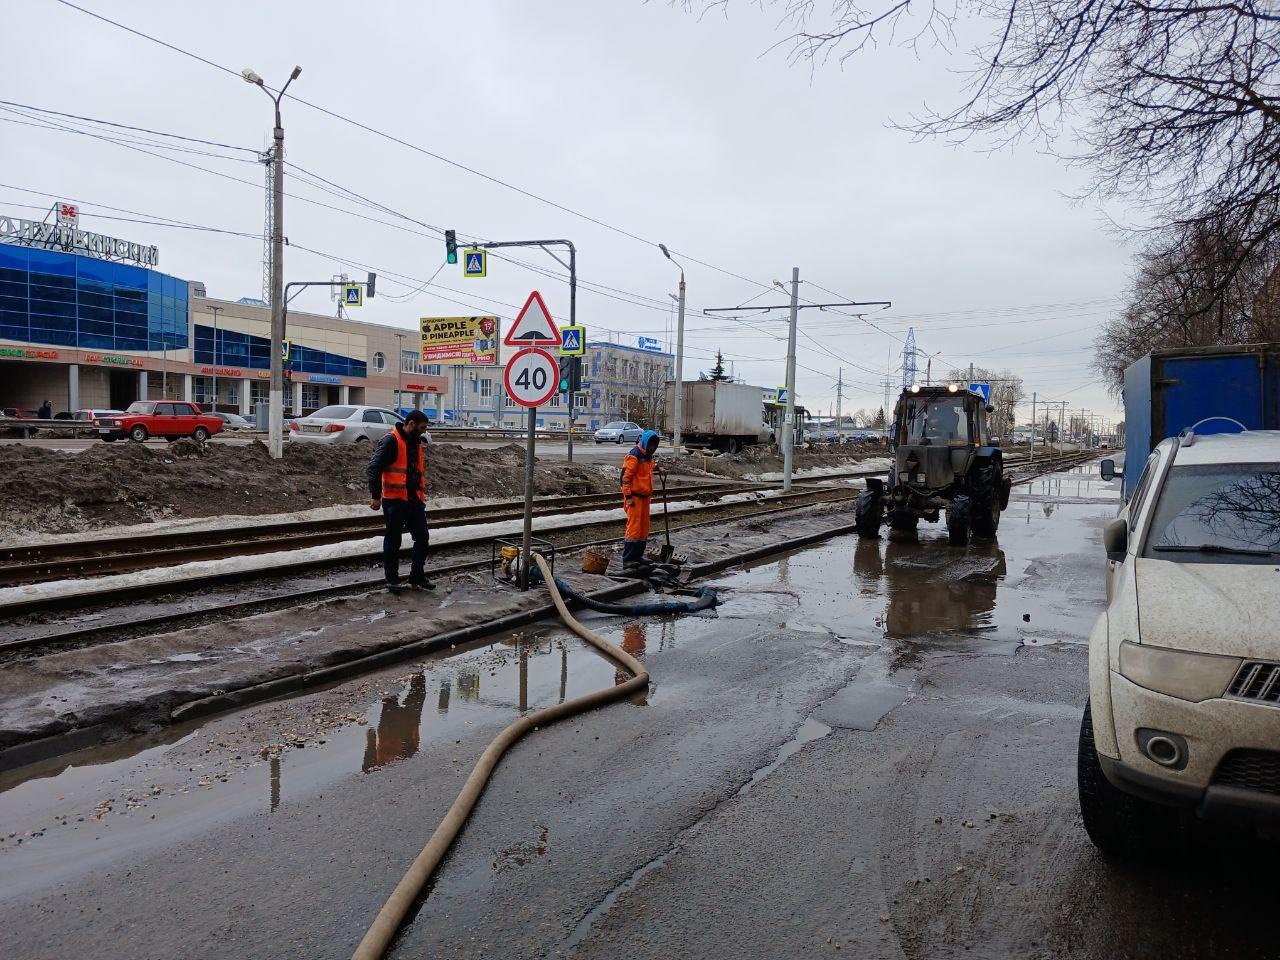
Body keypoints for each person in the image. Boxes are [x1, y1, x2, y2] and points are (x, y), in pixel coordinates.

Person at [367, 409, 434, 593]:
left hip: (414, 500)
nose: (423, 432)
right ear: (411, 424)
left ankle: (417, 577)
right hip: (395, 501)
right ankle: (392, 579)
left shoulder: (417, 443)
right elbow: (374, 467)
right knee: (393, 540)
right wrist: (375, 496)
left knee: (422, 538)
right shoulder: (391, 440)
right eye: (422, 428)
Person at [620, 429, 664, 569]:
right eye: (651, 445)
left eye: (654, 446)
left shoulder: (647, 456)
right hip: (635, 498)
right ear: (645, 443)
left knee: (643, 529)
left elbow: (649, 468)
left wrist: (658, 468)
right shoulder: (634, 456)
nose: (652, 448)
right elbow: (624, 479)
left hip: (644, 497)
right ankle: (628, 559)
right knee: (634, 528)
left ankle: (637, 557)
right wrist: (628, 497)